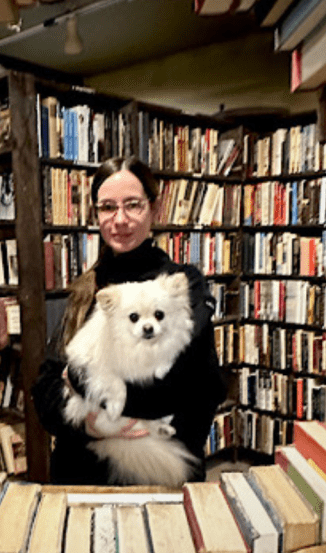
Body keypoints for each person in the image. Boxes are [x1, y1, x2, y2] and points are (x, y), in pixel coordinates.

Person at [31, 156, 227, 485]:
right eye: (108, 207)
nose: (120, 219)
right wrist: (90, 423)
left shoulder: (182, 285)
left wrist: (79, 380)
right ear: (96, 215)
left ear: (155, 209)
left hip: (158, 482)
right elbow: (44, 389)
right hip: (80, 475)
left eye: (133, 205)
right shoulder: (85, 288)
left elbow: (173, 390)